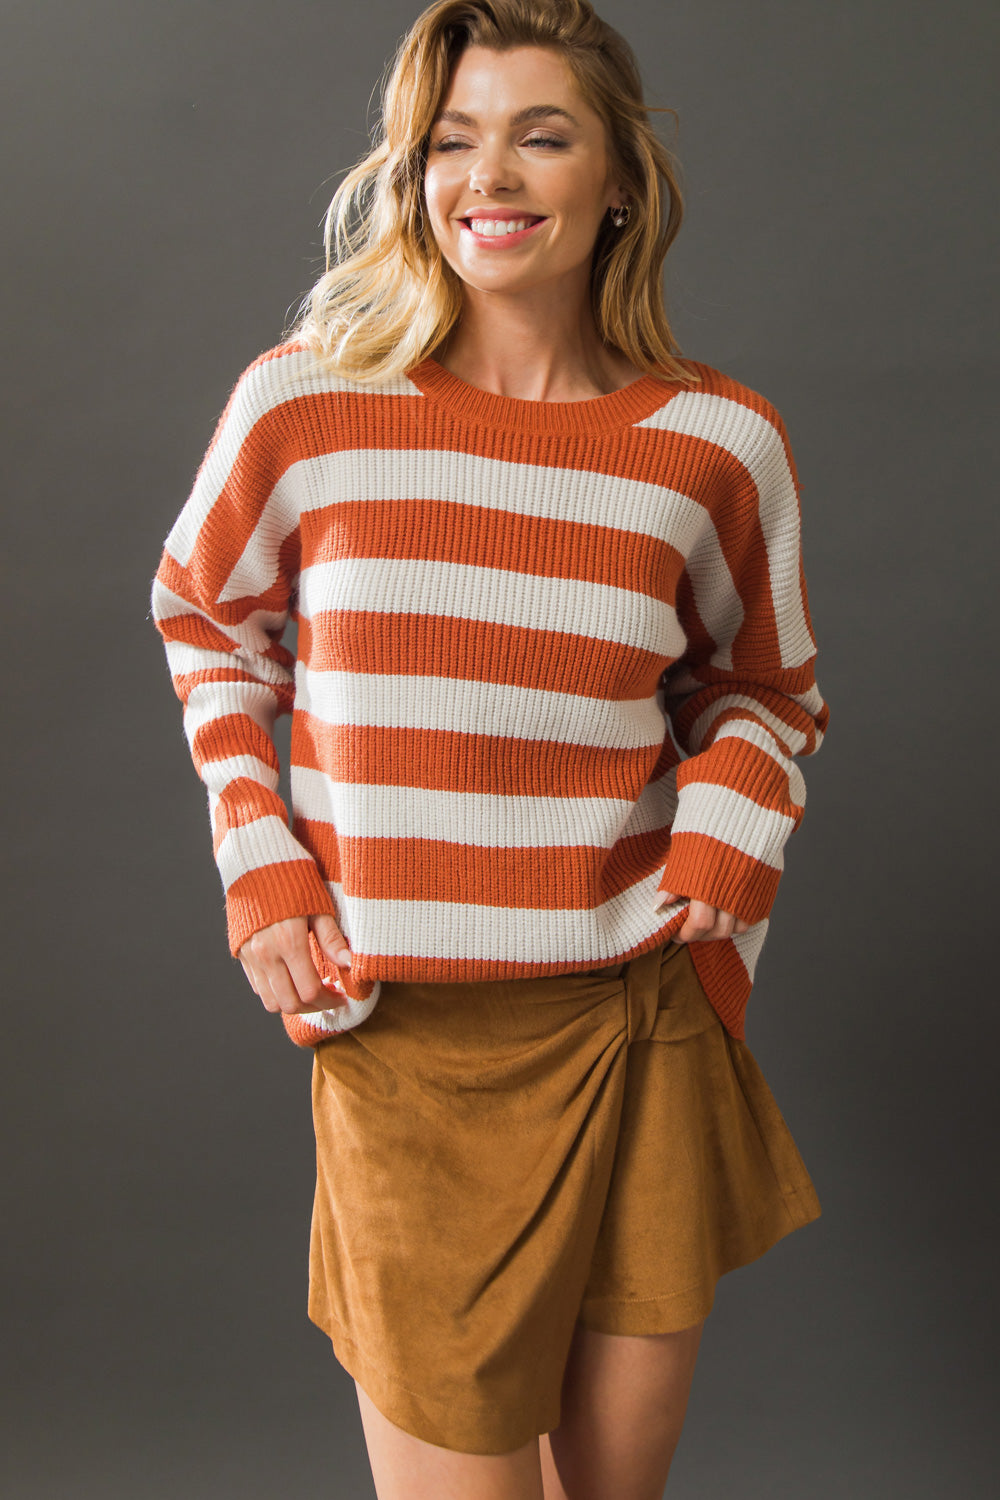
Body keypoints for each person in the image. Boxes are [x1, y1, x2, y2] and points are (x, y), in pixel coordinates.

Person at [150, 1, 829, 1495]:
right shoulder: (307, 405)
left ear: (619, 180)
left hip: (638, 1017)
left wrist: (726, 824)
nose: (491, 176)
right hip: (405, 1040)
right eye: (451, 140)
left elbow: (767, 695)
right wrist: (264, 866)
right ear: (411, 176)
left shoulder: (717, 444)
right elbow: (205, 619)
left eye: (542, 133)